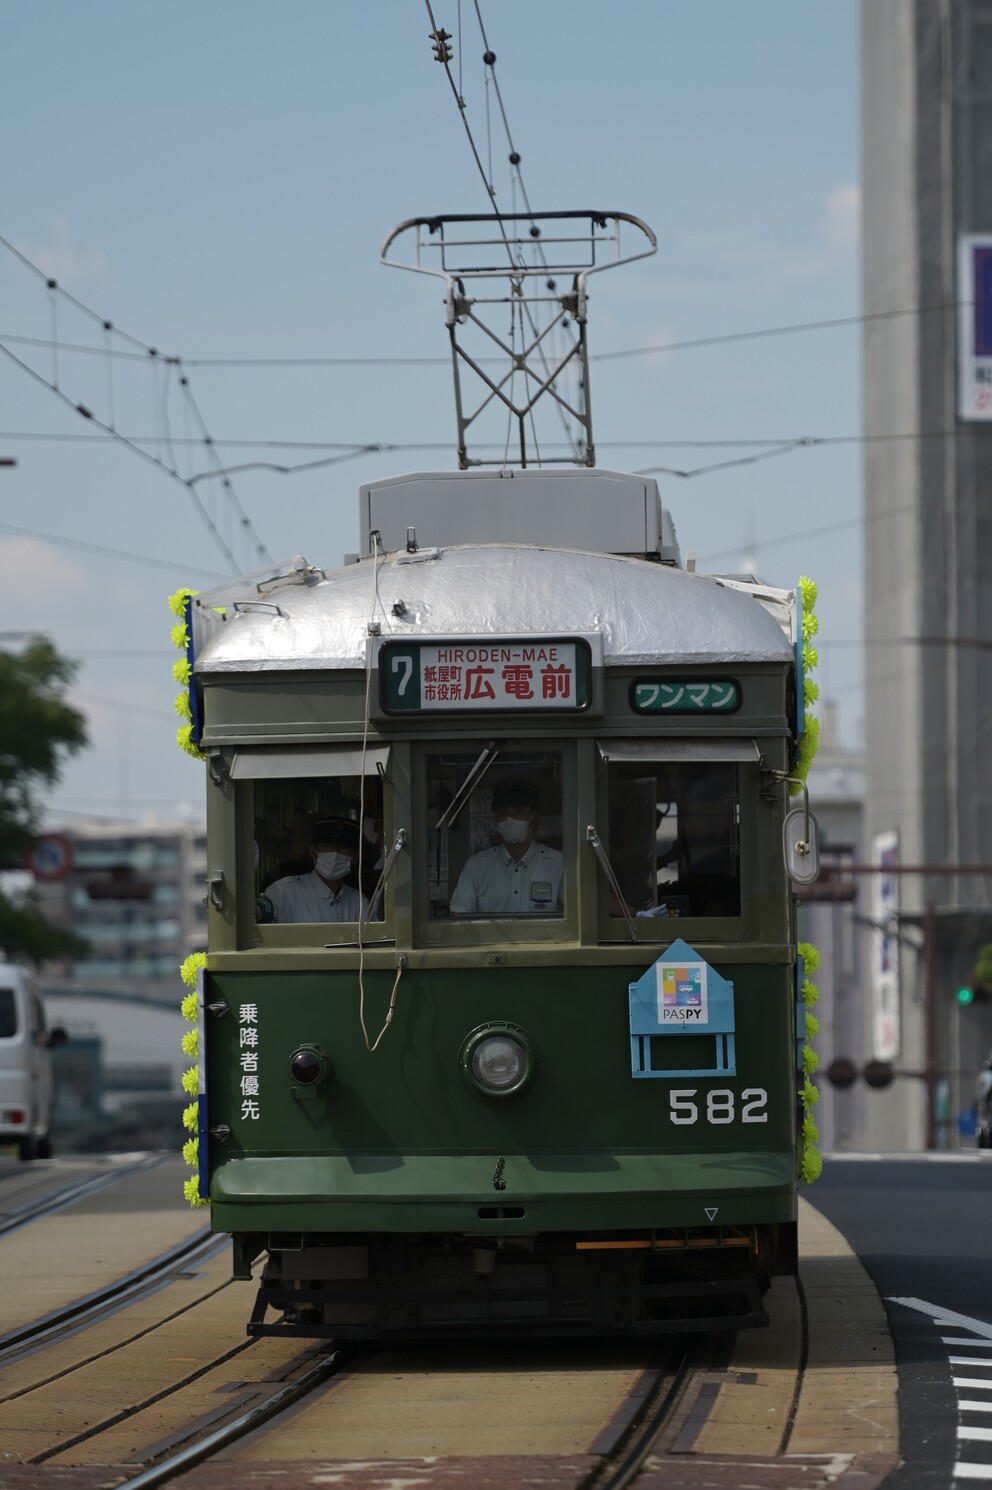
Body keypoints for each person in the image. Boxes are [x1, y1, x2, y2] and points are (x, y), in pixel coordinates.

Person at [449, 781, 563, 915]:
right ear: (495, 818)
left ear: (534, 817)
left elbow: (575, 915)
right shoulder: (477, 867)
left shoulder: (558, 864)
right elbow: (459, 917)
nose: (509, 819)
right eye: (502, 812)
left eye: (518, 811)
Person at [262, 818, 369, 923]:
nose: (335, 853)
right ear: (313, 851)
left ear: (355, 858)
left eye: (344, 847)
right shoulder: (284, 892)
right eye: (328, 846)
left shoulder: (359, 903)